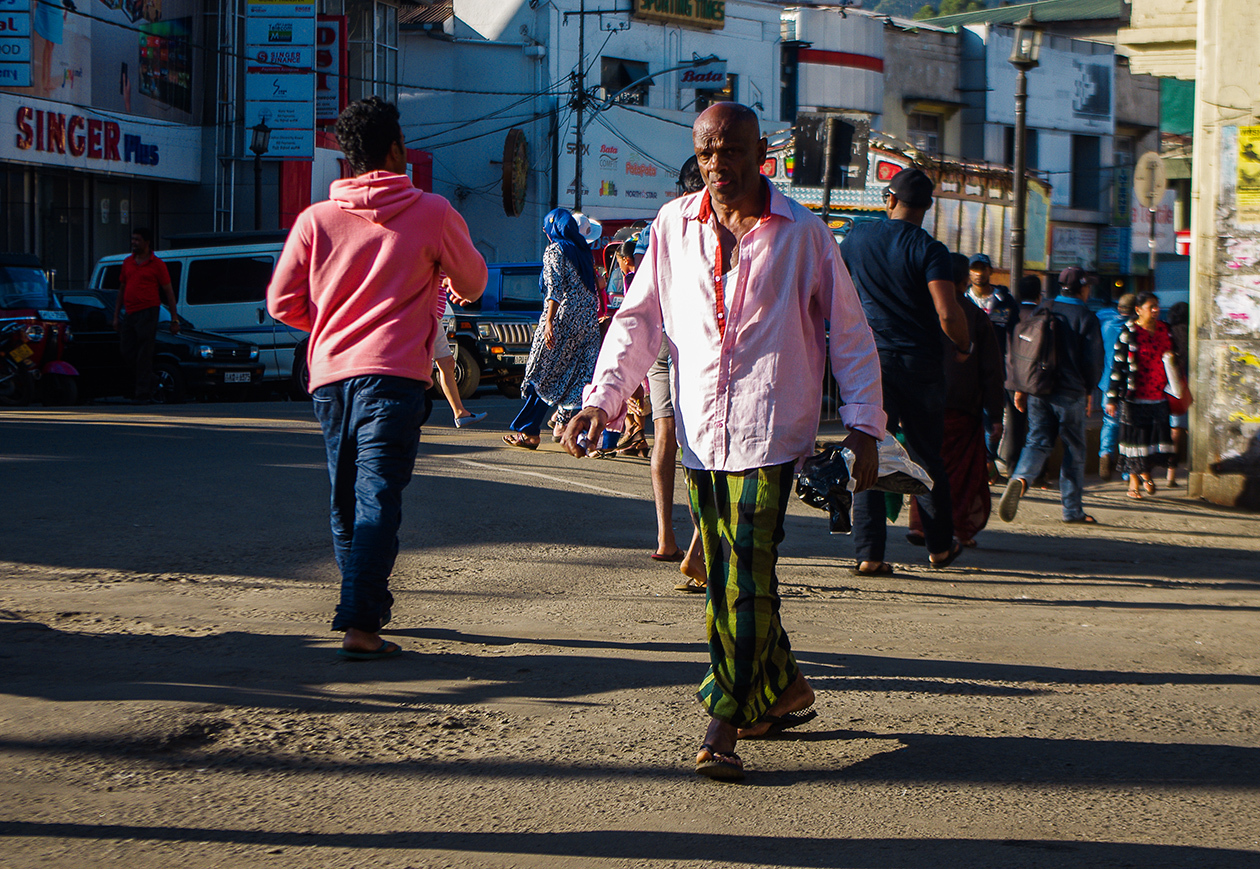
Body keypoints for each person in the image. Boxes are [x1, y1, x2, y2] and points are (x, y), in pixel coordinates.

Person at [562, 103, 885, 781]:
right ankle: (787, 688)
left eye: (733, 151)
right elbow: (638, 319)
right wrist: (602, 399)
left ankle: (723, 721)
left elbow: (849, 333)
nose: (719, 166)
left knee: (745, 577)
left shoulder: (803, 234)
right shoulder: (673, 226)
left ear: (761, 152)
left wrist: (864, 424)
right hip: (702, 437)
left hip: (773, 430)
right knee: (731, 581)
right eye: (708, 153)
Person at [267, 97, 487, 659]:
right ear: (395, 149)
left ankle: (364, 604)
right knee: (376, 494)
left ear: (347, 155)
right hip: (393, 376)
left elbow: (281, 302)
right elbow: (475, 281)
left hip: (331, 378)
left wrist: (332, 325)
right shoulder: (432, 211)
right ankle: (361, 621)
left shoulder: (315, 220)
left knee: (347, 498)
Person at [840, 167, 971, 575]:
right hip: (920, 367)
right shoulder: (930, 251)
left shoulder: (857, 237)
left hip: (869, 364)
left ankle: (869, 554)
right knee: (925, 456)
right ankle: (938, 548)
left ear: (889, 200)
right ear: (926, 208)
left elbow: (835, 288)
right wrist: (964, 346)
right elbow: (948, 312)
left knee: (869, 452)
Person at [908, 253, 1004, 548]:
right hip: (962, 406)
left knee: (923, 464)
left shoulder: (920, 311)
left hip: (922, 401)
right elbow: (991, 371)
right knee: (959, 472)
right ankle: (957, 528)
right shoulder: (974, 316)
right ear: (965, 281)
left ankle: (919, 525)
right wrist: (996, 415)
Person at [998, 267, 1104, 524]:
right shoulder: (1086, 317)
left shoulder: (1043, 309)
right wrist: (1089, 389)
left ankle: (1021, 478)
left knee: (1037, 441)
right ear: (1082, 288)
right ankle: (1072, 510)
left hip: (1039, 389)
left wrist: (1022, 388)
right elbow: (1093, 362)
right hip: (1071, 393)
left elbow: (1026, 350)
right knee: (1074, 450)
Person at [642, 156, 707, 579]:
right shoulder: (712, 227)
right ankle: (700, 547)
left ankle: (666, 538)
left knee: (665, 432)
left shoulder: (665, 224)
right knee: (701, 442)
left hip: (659, 338)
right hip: (694, 341)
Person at [502, 208, 601, 450]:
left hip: (563, 321)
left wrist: (548, 321)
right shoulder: (583, 251)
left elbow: (553, 289)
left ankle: (529, 432)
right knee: (575, 378)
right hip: (587, 323)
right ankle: (578, 436)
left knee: (541, 374)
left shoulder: (555, 250)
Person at [1106, 292, 1175, 500]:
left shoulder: (1165, 330)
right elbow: (1117, 366)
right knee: (1135, 442)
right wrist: (1111, 398)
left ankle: (1147, 474)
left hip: (1159, 396)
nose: (1155, 310)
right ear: (1138, 310)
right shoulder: (1129, 332)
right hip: (1134, 397)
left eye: (1157, 306)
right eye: (1150, 306)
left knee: (1153, 442)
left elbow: (1175, 358)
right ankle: (1134, 483)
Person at [112, 227, 179, 404]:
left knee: (144, 353)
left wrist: (174, 319)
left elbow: (169, 292)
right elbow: (122, 289)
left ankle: (142, 393)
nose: (133, 242)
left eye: (137, 240)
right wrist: (116, 315)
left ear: (147, 243)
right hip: (130, 313)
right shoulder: (128, 262)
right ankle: (152, 380)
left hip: (148, 312)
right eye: (132, 239)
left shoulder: (157, 264)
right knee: (127, 351)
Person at [966, 253, 1019, 476]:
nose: (979, 273)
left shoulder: (1004, 301)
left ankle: (988, 457)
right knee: (970, 416)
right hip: (967, 367)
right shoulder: (962, 298)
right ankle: (979, 462)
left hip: (998, 368)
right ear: (969, 273)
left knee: (995, 418)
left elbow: (1015, 333)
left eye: (982, 268)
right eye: (974, 269)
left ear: (990, 271)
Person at [996, 274, 1045, 476]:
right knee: (1038, 425)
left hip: (1011, 377)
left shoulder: (1012, 315)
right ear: (1039, 295)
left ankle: (1013, 466)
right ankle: (1039, 472)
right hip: (1036, 381)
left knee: (1015, 426)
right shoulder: (1043, 316)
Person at [432, 280, 487, 429]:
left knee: (447, 363)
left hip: (434, 314)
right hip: (422, 312)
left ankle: (460, 413)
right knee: (419, 366)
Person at [1096, 293, 1136, 481]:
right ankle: (1128, 471)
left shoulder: (1107, 324)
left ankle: (1104, 454)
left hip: (1107, 382)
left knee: (1110, 422)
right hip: (1129, 382)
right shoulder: (1134, 329)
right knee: (1130, 425)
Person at [1165, 301, 1191, 487]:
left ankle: (1170, 475)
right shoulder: (1192, 334)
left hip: (1175, 389)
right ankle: (1193, 470)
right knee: (1194, 433)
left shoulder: (1169, 335)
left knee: (1174, 434)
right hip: (1193, 389)